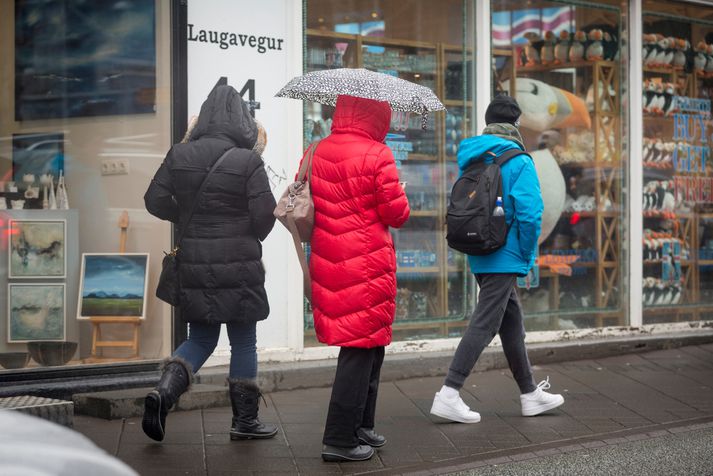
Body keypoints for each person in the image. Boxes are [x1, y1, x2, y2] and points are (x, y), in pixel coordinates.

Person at [142, 85, 277, 442]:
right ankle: (245, 422)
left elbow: (153, 200)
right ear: (241, 120)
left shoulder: (179, 154)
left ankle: (163, 394)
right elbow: (265, 215)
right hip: (240, 264)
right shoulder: (248, 160)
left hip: (196, 261)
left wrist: (187, 218)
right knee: (244, 340)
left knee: (200, 338)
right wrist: (247, 232)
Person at [430, 95, 564, 423]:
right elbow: (532, 213)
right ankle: (449, 392)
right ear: (516, 125)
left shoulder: (474, 156)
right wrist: (527, 254)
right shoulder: (519, 160)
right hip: (507, 252)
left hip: (481, 250)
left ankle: (530, 393)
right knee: (486, 322)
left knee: (511, 323)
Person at [299, 95, 410, 462]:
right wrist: (401, 193)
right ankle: (339, 440)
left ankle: (361, 425)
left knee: (369, 346)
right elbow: (396, 214)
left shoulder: (316, 149)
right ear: (378, 116)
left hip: (330, 261)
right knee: (359, 351)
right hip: (365, 263)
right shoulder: (378, 154)